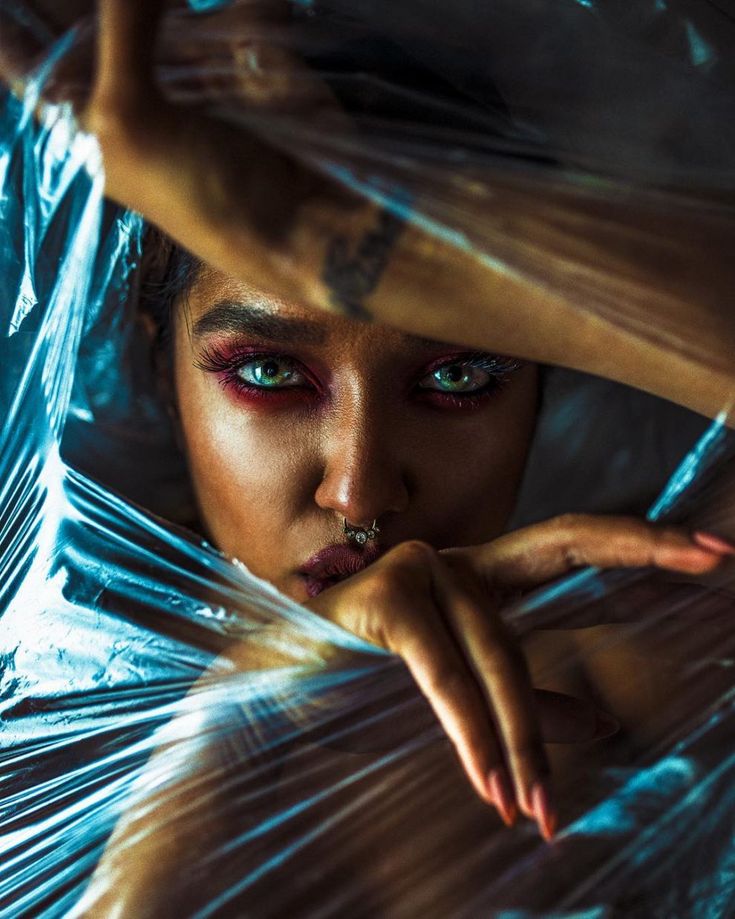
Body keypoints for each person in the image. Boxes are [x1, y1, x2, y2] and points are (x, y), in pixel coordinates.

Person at [3, 1, 735, 914]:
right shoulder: (32, 740)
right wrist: (230, 731)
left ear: (547, 370)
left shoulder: (660, 670)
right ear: (158, 358)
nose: (361, 489)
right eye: (269, 371)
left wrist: (330, 247)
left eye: (461, 375)